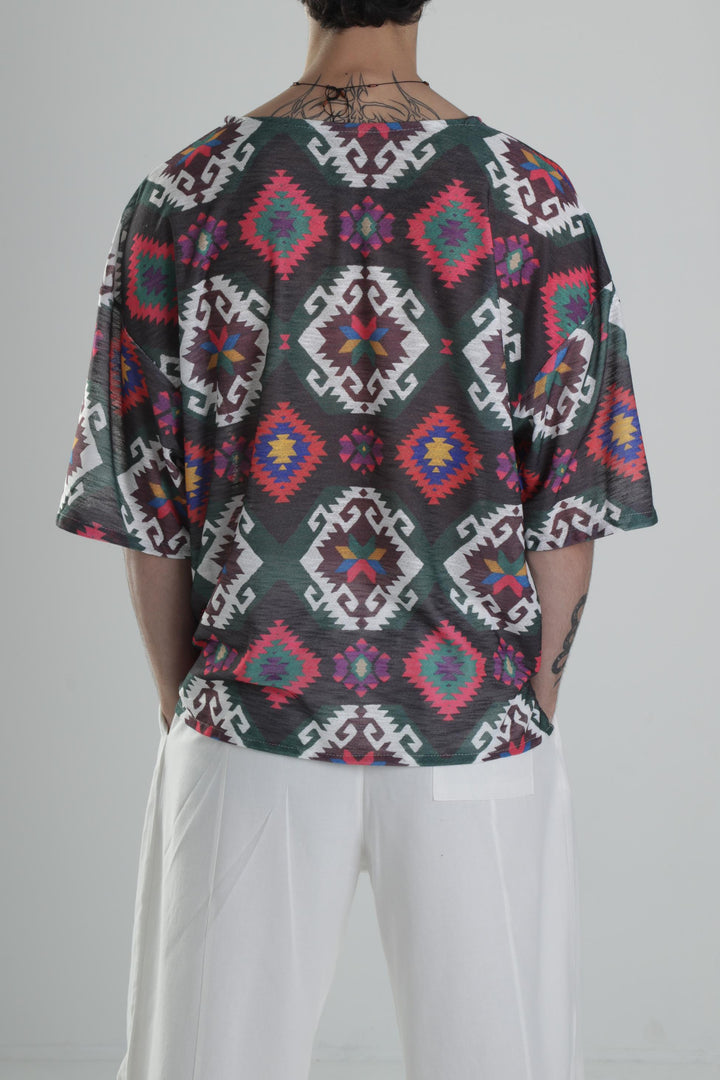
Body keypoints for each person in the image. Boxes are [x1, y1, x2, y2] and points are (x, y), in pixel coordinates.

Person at [54, 0, 659, 1076]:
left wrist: (191, 711)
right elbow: (567, 509)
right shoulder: (531, 200)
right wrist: (522, 709)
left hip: (251, 715)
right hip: (473, 720)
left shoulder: (186, 196)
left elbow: (148, 504)